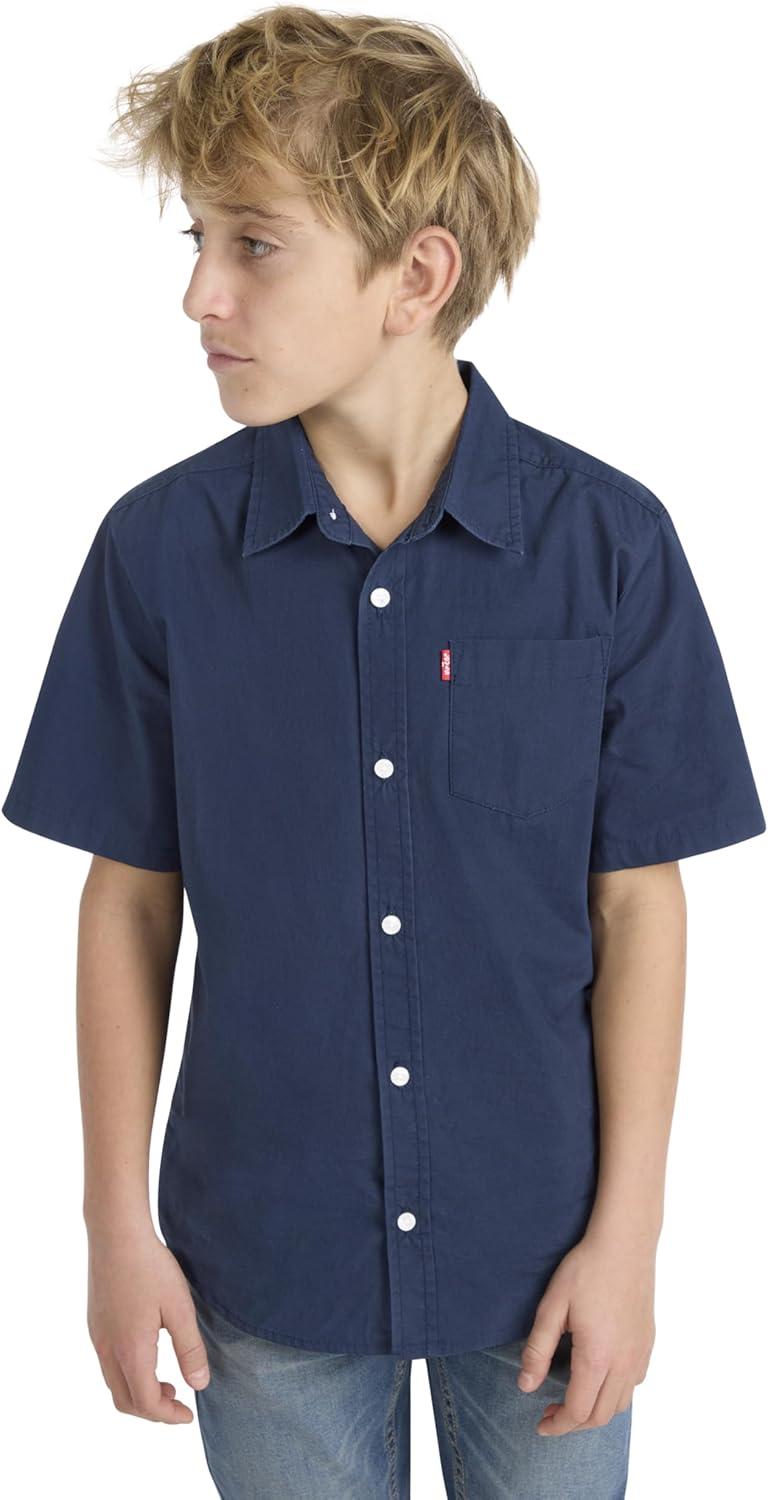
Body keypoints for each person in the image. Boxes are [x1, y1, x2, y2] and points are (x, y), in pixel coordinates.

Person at [3, 7, 765, 1498]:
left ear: (418, 275)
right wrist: (113, 1228)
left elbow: (638, 904)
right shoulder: (158, 553)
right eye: (198, 239)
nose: (200, 292)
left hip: (541, 1254)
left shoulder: (609, 548)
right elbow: (129, 901)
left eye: (255, 244)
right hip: (261, 1253)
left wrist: (629, 1240)